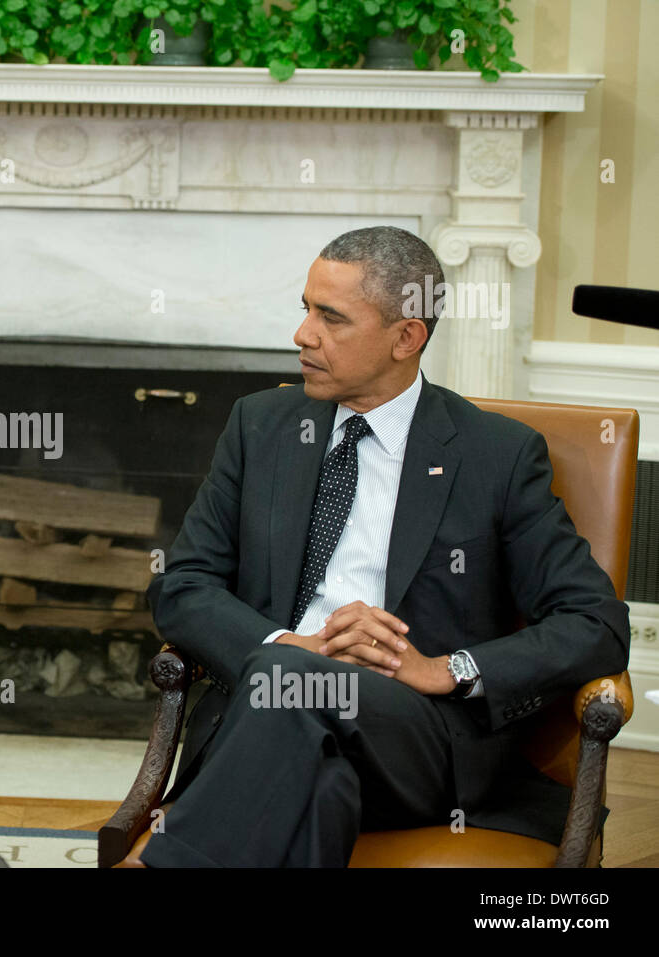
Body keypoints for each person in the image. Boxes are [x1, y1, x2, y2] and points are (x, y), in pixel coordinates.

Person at [140, 225, 629, 867]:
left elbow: (595, 623)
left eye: (331, 318)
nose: (302, 335)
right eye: (305, 310)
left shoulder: (494, 455)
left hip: (418, 739)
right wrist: (290, 648)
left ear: (407, 337)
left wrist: (444, 669)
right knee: (319, 783)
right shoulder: (260, 426)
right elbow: (182, 585)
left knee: (293, 688)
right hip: (267, 722)